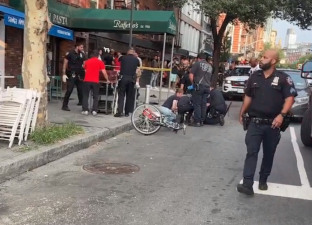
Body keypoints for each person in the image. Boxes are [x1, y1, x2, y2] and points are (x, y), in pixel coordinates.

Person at [237, 49, 297, 195]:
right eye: (261, 57)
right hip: (255, 122)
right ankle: (247, 183)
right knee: (251, 152)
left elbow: (290, 98)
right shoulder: (254, 77)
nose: (261, 59)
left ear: (273, 61)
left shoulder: (283, 78)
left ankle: (263, 180)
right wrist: (242, 111)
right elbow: (248, 96)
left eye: (265, 57)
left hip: (273, 124)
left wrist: (281, 115)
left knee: (269, 153)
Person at [81, 50, 109, 116]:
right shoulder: (100, 62)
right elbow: (104, 72)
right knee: (95, 96)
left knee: (85, 95)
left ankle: (85, 110)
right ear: (98, 55)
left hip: (87, 80)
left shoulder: (87, 61)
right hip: (95, 81)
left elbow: (85, 70)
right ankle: (94, 110)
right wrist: (107, 79)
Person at [189, 53, 213, 127]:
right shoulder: (210, 66)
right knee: (203, 104)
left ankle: (197, 121)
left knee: (197, 104)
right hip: (207, 87)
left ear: (198, 58)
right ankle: (202, 120)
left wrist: (193, 84)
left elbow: (191, 74)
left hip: (199, 86)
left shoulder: (197, 64)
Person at [114, 49, 140, 117]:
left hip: (123, 78)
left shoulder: (123, 57)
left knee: (121, 95)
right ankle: (127, 113)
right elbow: (138, 65)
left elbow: (119, 60)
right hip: (131, 79)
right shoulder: (136, 59)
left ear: (127, 52)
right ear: (133, 53)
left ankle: (119, 112)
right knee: (129, 96)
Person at [62, 43, 86, 111]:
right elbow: (65, 63)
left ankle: (81, 102)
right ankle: (64, 105)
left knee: (81, 89)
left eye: (82, 47)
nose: (82, 48)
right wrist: (64, 73)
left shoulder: (82, 54)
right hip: (72, 73)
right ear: (77, 47)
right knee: (69, 90)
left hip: (80, 74)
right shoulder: (70, 53)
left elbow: (84, 63)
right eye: (81, 47)